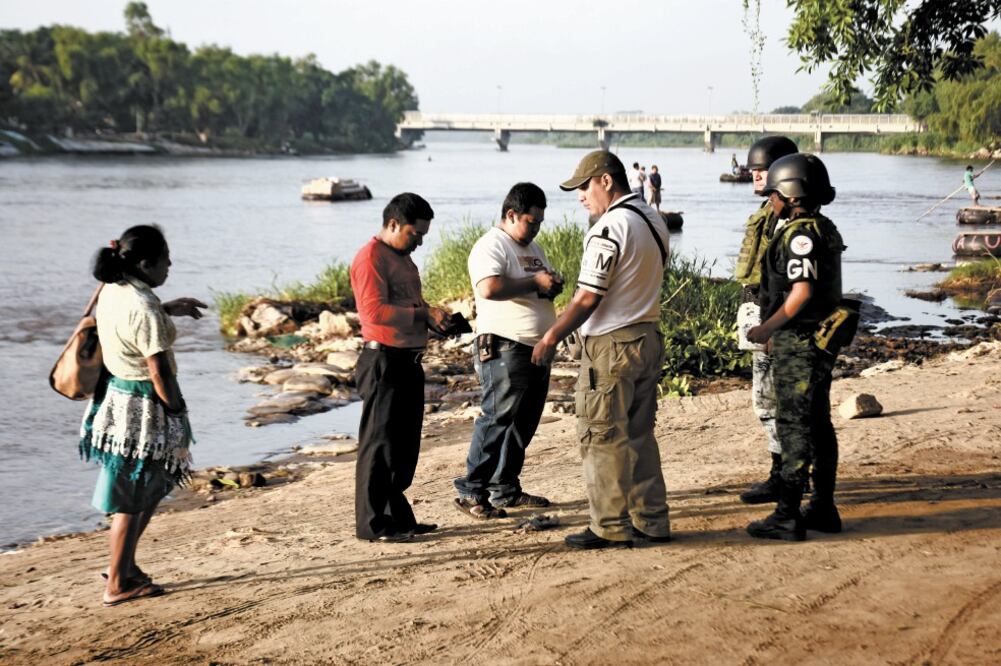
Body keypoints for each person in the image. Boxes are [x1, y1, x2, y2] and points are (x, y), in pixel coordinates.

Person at [532, 150, 671, 549]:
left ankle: (608, 525)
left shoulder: (610, 227)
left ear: (606, 181)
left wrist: (550, 336)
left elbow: (589, 296)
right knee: (641, 435)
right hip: (647, 335)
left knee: (602, 436)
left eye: (583, 187)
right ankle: (652, 520)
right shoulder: (653, 220)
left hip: (612, 346)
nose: (580, 196)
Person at [81, 225, 206, 606]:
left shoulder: (114, 289)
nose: (170, 266)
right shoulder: (145, 305)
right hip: (142, 405)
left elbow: (128, 322)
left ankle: (124, 566)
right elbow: (159, 371)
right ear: (147, 263)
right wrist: (177, 410)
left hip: (115, 399)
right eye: (166, 260)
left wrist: (169, 308)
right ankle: (117, 583)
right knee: (132, 496)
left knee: (146, 488)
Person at [746, 153, 844, 541]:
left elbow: (801, 292)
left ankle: (787, 515)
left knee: (794, 427)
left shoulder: (799, 236)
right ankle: (823, 506)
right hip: (820, 341)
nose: (770, 200)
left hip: (799, 344)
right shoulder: (825, 228)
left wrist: (766, 328)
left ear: (789, 193)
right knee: (819, 422)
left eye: (774, 193)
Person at [453, 183, 563, 518]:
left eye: (541, 222)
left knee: (523, 423)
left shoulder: (534, 248)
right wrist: (534, 283)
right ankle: (472, 491)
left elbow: (536, 288)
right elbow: (489, 288)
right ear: (511, 214)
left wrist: (550, 287)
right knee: (497, 417)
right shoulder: (491, 246)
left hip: (535, 347)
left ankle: (504, 488)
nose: (536, 228)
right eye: (531, 221)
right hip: (503, 345)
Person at [350, 192, 447, 543]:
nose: (419, 242)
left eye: (422, 236)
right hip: (383, 360)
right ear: (393, 224)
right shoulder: (370, 258)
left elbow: (410, 304)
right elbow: (373, 313)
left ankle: (399, 518)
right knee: (378, 445)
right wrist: (424, 315)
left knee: (404, 447)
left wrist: (436, 317)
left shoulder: (403, 259)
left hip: (408, 360)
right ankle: (372, 526)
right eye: (414, 234)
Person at [734, 136, 798, 506]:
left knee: (773, 403)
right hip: (763, 315)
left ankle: (785, 477)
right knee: (767, 402)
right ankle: (783, 473)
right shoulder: (768, 214)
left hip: (776, 322)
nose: (755, 175)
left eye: (763, 169)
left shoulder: (787, 220)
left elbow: (788, 281)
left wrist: (773, 326)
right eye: (754, 169)